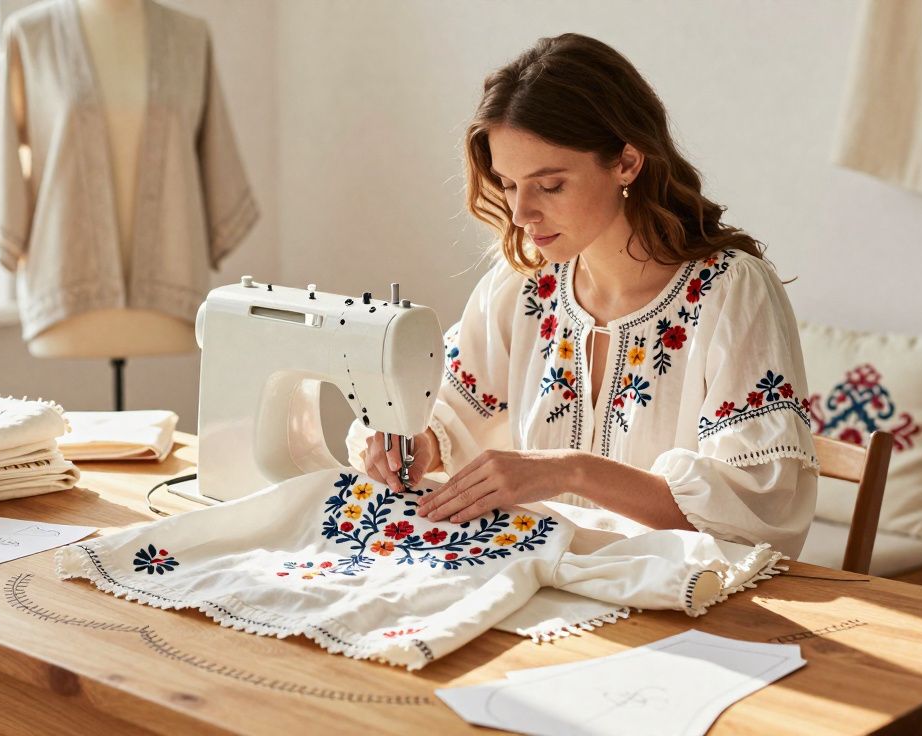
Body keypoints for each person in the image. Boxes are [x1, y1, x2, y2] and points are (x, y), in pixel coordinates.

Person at [347, 34, 819, 557]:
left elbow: (755, 514)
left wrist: (571, 471)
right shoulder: (525, 283)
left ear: (627, 163)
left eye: (549, 186)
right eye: (507, 184)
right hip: (548, 587)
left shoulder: (732, 292)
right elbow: (450, 406)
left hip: (681, 605)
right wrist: (416, 444)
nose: (522, 213)